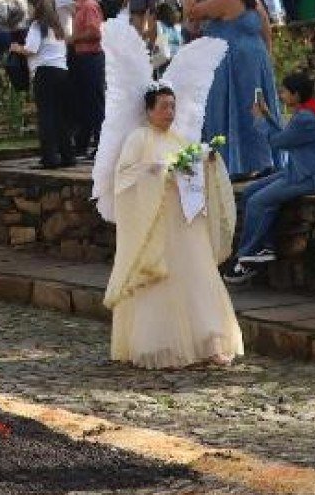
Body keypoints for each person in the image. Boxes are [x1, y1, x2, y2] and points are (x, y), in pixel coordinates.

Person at [104, 82, 243, 369]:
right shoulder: (138, 138)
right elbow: (126, 176)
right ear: (149, 110)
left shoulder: (179, 140)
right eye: (164, 106)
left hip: (185, 223)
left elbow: (192, 172)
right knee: (163, 284)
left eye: (173, 106)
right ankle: (161, 345)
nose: (170, 112)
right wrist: (158, 171)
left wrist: (207, 161)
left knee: (197, 278)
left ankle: (209, 342)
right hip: (157, 225)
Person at [224, 71, 315, 280]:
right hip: (298, 171)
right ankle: (264, 247)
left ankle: (247, 255)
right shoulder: (306, 112)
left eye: (284, 92)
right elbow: (286, 137)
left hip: (311, 178)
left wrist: (259, 121)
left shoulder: (306, 118)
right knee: (250, 192)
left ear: (296, 95)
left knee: (257, 202)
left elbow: (278, 142)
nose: (281, 95)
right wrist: (267, 116)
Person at [185, 0, 283, 181]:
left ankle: (238, 163)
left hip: (235, 63)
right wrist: (266, 61)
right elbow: (266, 31)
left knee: (234, 108)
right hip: (257, 60)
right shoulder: (254, 1)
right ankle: (266, 159)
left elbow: (193, 13)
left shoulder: (226, 1)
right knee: (257, 108)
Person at [10, 0, 74, 168]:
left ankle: (49, 158)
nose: (28, 10)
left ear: (35, 7)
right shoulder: (56, 27)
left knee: (46, 115)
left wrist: (16, 48)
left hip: (45, 73)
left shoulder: (38, 26)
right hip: (61, 72)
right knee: (60, 116)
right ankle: (68, 156)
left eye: (29, 6)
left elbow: (31, 49)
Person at [67, 0, 105, 159]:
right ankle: (82, 143)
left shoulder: (90, 7)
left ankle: (101, 143)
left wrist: (73, 38)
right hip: (81, 58)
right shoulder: (80, 8)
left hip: (91, 57)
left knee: (94, 102)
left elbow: (95, 32)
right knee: (83, 102)